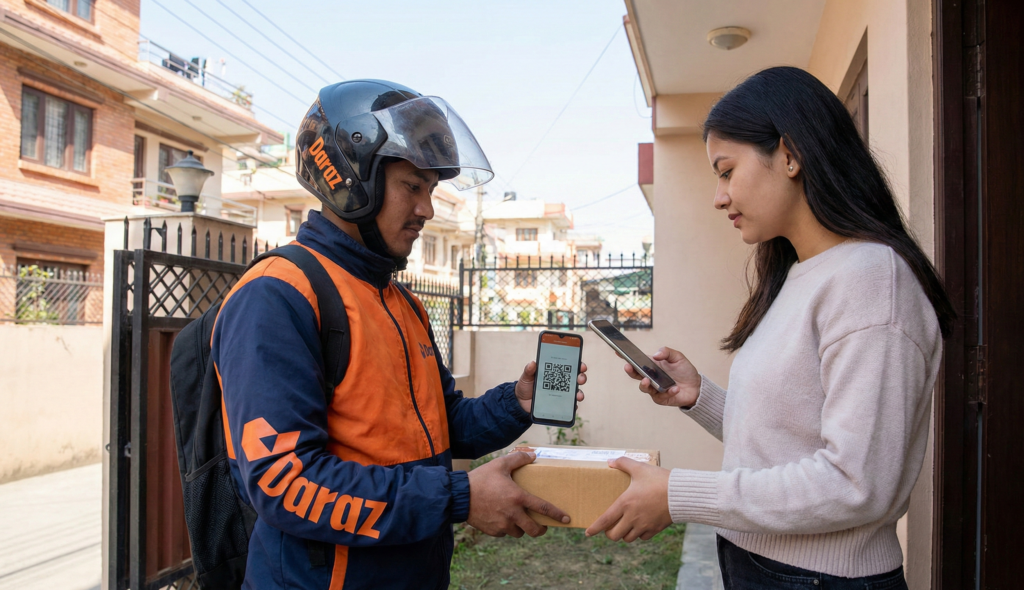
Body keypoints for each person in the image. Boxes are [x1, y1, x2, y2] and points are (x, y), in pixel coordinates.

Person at [585, 67, 955, 589]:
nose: (719, 196)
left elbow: (857, 483)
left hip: (820, 579)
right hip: (762, 565)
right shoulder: (800, 274)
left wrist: (680, 494)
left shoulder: (873, 280)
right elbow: (790, 437)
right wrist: (701, 397)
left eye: (726, 170)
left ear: (789, 155)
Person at [212, 80, 587, 590]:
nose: (427, 210)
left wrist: (517, 404)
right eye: (413, 186)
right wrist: (460, 498)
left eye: (430, 191)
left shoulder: (400, 301)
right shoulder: (278, 296)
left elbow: (441, 426)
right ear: (351, 177)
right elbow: (286, 483)